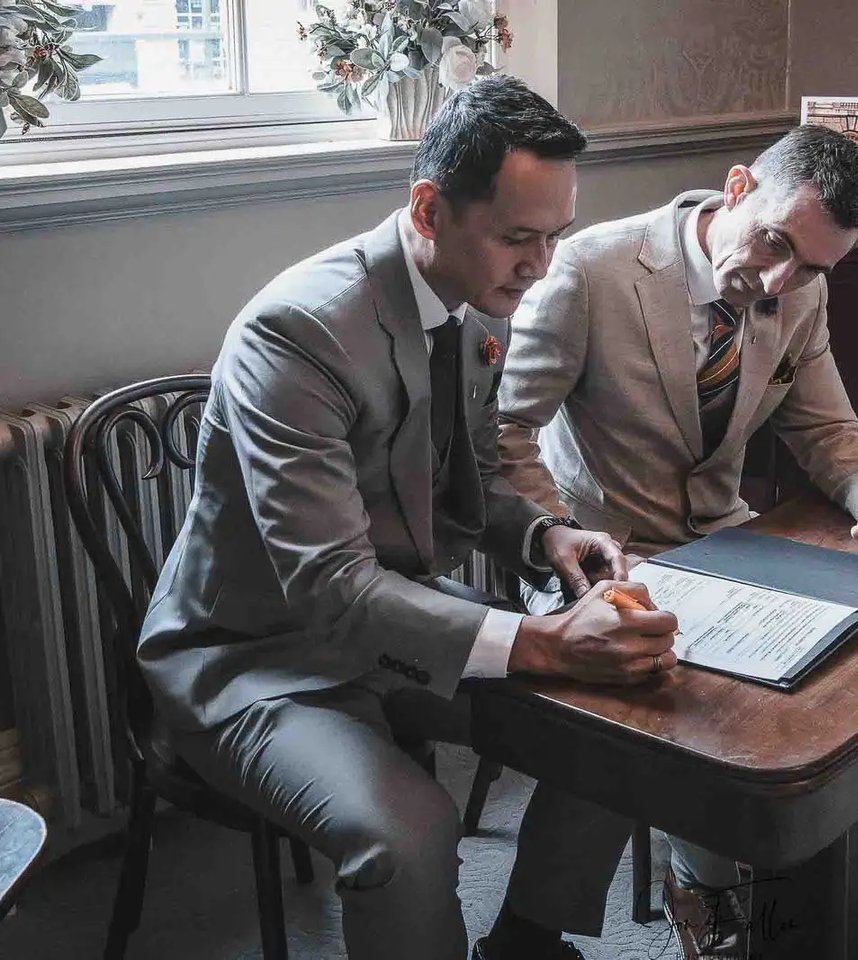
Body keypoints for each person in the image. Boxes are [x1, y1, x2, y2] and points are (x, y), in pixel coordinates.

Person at [136, 74, 677, 960]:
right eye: (518, 237)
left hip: (395, 619)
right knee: (410, 835)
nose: (542, 265)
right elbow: (329, 589)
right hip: (256, 657)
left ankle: (528, 942)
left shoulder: (477, 305)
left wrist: (543, 533)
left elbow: (465, 481)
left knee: (627, 722)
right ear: (429, 209)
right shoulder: (296, 333)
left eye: (556, 236)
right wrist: (542, 643)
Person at [497, 125, 858, 957]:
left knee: (856, 654)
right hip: (592, 548)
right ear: (737, 188)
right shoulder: (592, 271)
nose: (780, 281)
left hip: (724, 538)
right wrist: (558, 533)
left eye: (811, 267)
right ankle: (538, 931)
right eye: (775, 243)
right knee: (635, 691)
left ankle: (810, 859)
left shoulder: (800, 290)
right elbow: (504, 432)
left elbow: (828, 430)